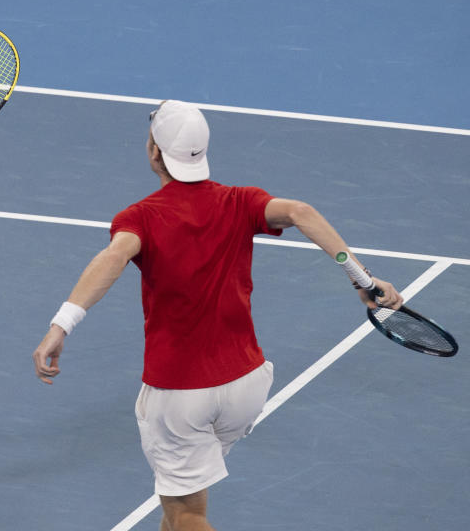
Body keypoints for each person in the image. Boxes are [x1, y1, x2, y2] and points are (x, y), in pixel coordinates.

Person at [31, 100, 403, 531]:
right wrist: (362, 278)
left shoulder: (140, 218)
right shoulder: (240, 201)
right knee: (175, 513)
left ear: (155, 151)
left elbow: (114, 257)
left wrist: (62, 323)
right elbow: (301, 212)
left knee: (188, 515)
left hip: (182, 395)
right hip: (245, 386)